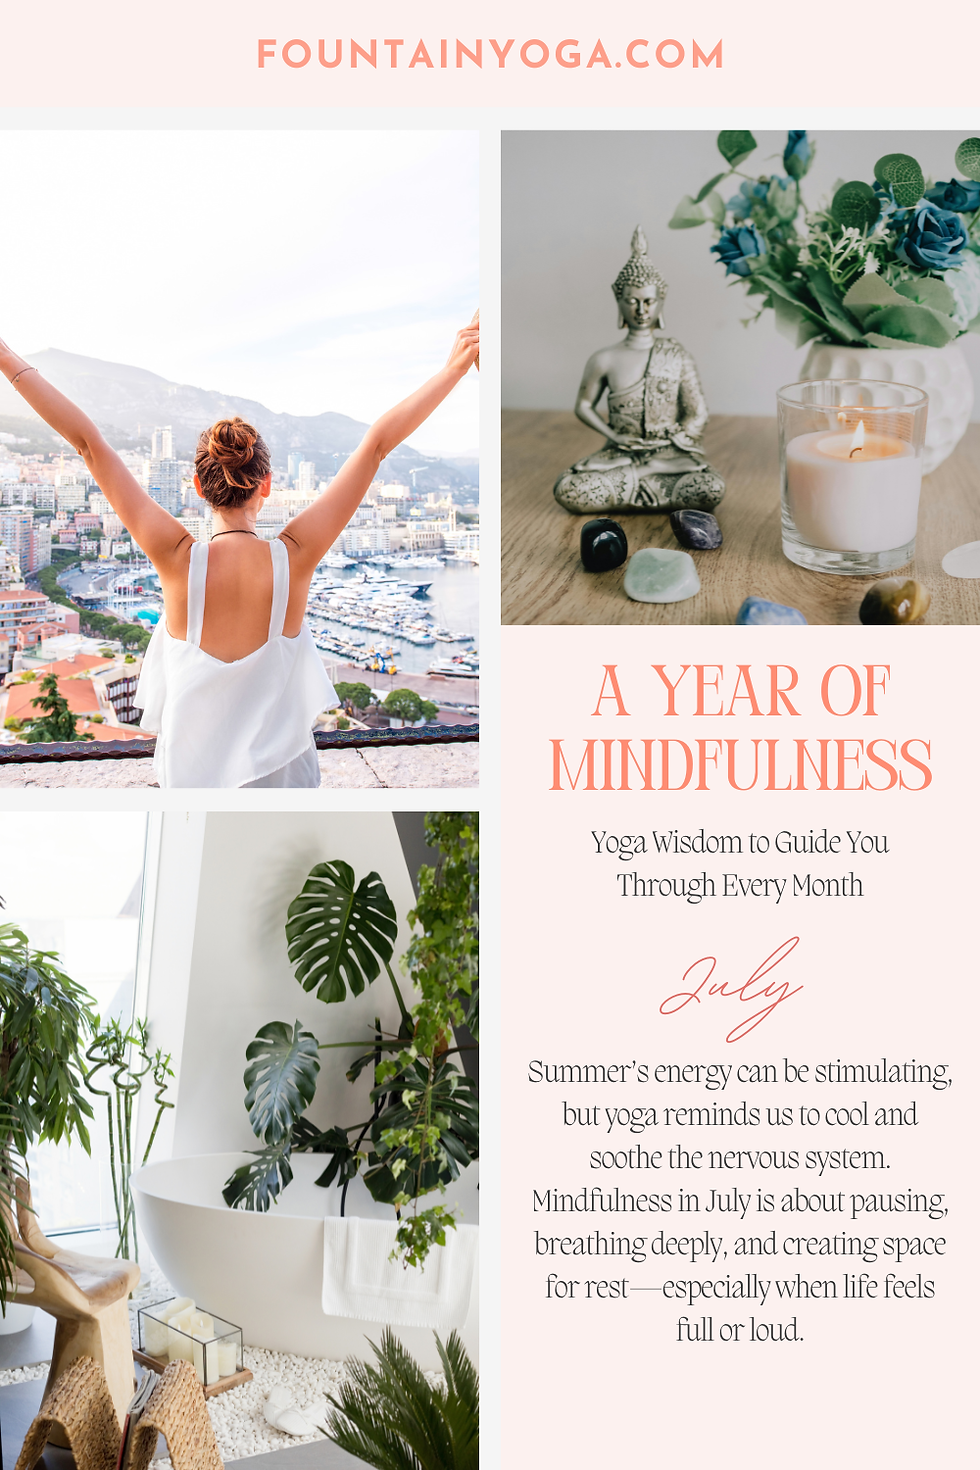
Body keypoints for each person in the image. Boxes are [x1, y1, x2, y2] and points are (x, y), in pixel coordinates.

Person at [0, 321, 479, 786]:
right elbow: (376, 446)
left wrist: (5, 356)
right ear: (266, 485)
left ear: (197, 487)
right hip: (287, 788)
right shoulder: (294, 557)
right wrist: (454, 368)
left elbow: (88, 444)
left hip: (191, 790)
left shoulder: (176, 558)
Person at [552, 227, 725, 515]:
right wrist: (616, 437)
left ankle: (632, 484)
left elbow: (698, 413)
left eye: (649, 301)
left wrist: (670, 441)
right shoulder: (604, 358)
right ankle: (645, 482)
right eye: (632, 301)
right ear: (619, 301)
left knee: (711, 487)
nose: (641, 310)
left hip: (668, 455)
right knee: (570, 488)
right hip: (620, 453)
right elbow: (583, 406)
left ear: (661, 302)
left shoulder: (677, 356)